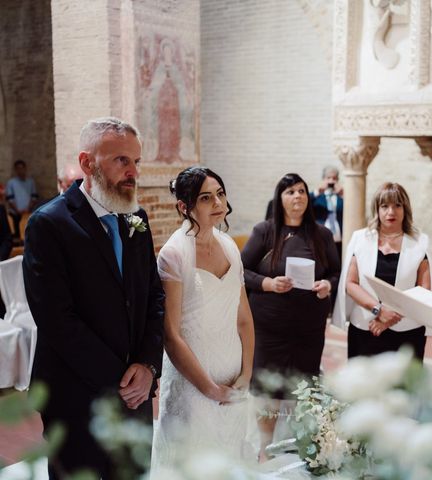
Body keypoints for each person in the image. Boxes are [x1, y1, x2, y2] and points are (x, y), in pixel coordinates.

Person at [22, 117, 165, 479]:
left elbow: (153, 297)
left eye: (136, 161)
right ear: (87, 163)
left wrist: (148, 366)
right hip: (75, 396)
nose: (132, 172)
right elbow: (56, 319)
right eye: (121, 160)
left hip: (136, 393)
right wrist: (121, 380)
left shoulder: (138, 220)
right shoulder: (49, 224)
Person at [151, 167, 256, 470]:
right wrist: (209, 388)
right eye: (206, 198)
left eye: (220, 194)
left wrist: (246, 373)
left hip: (233, 377)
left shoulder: (230, 248)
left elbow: (244, 320)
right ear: (185, 207)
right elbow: (171, 334)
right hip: (193, 386)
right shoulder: (174, 255)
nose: (218, 204)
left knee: (229, 459)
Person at [241, 173, 341, 460]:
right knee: (268, 388)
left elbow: (335, 272)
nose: (297, 196)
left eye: (301, 191)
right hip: (270, 327)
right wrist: (268, 283)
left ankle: (301, 445)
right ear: (280, 198)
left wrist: (327, 285)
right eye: (290, 192)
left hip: (308, 329)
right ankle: (264, 450)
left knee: (303, 387)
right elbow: (242, 270)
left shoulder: (321, 235)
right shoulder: (265, 231)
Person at [334, 182, 432, 359]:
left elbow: (423, 290)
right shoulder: (361, 239)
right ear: (377, 209)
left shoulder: (420, 242)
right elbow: (351, 284)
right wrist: (378, 310)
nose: (391, 212)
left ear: (405, 209)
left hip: (407, 330)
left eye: (397, 205)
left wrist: (392, 317)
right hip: (366, 326)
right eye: (384, 206)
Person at [309, 166, 343, 256]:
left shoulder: (341, 198)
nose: (331, 181)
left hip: (338, 240)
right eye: (328, 178)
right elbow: (306, 202)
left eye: (334, 178)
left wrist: (344, 195)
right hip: (320, 238)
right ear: (323, 179)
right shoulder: (317, 197)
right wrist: (318, 191)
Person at [6, 159, 39, 239]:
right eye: (18, 168)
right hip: (15, 214)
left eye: (22, 168)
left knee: (31, 235)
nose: (20, 170)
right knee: (17, 236)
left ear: (25, 168)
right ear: (16, 170)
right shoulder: (11, 182)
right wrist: (18, 211)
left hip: (28, 213)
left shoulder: (30, 181)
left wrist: (28, 209)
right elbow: (10, 199)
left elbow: (34, 197)